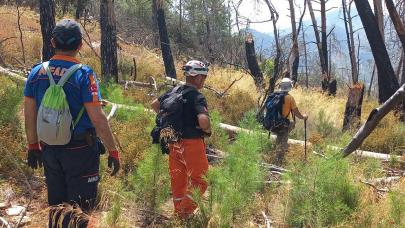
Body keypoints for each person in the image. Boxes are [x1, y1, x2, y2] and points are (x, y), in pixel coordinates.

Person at [24, 19, 120, 216]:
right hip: (80, 150)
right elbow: (98, 118)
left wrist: (33, 146)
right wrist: (113, 150)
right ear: (80, 45)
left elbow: (29, 113)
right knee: (80, 210)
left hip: (49, 148)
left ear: (52, 43)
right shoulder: (84, 74)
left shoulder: (37, 72)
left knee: (56, 208)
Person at [151, 60, 211, 218]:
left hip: (173, 142)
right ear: (197, 77)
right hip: (192, 143)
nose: (204, 80)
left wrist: (167, 118)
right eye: (203, 77)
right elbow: (203, 121)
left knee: (179, 179)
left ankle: (180, 212)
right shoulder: (197, 96)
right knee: (201, 180)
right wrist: (207, 129)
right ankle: (183, 214)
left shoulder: (173, 91)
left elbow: (155, 104)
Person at [273, 78, 307, 164]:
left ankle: (276, 156)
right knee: (282, 143)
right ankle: (278, 163)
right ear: (289, 87)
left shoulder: (274, 95)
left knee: (280, 139)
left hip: (273, 123)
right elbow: (297, 114)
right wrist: (304, 117)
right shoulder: (290, 98)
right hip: (283, 125)